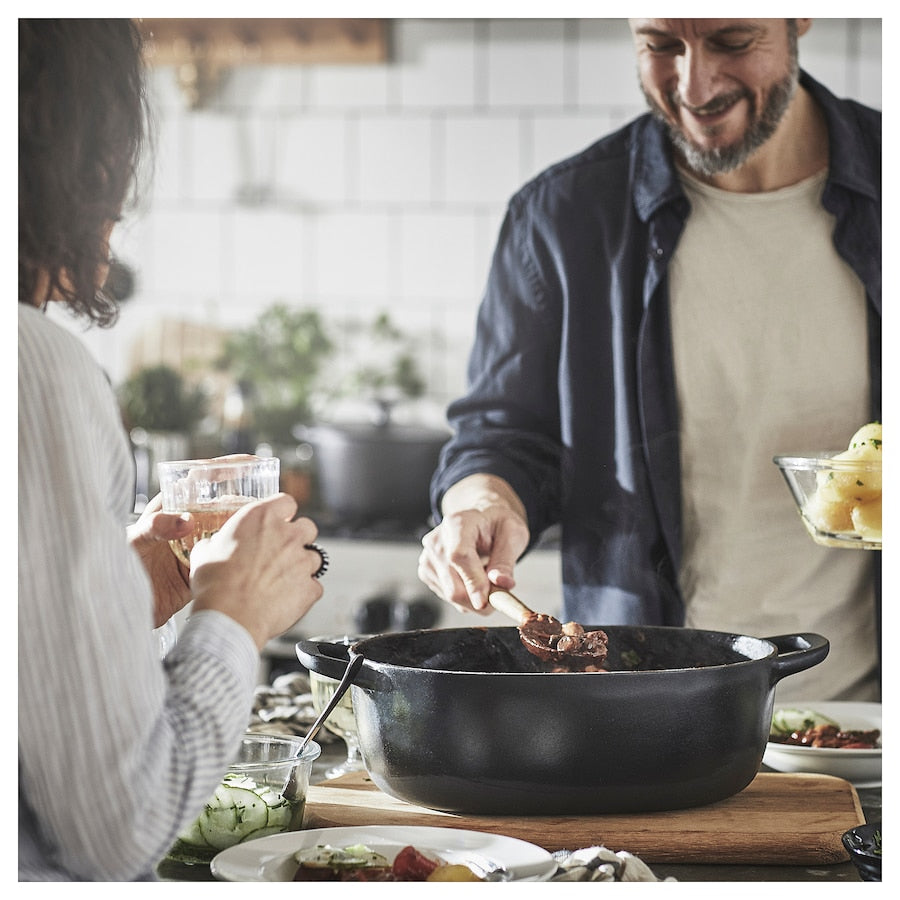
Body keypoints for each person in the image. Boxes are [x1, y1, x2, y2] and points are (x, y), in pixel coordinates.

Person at [418, 18, 880, 702]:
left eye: (731, 40)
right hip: (648, 727)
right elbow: (504, 434)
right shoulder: (562, 217)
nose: (694, 85)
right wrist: (481, 503)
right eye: (661, 44)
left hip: (871, 732)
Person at [18, 20, 327, 880]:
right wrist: (232, 613)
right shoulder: (33, 367)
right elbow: (122, 828)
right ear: (87, 153)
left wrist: (108, 600)